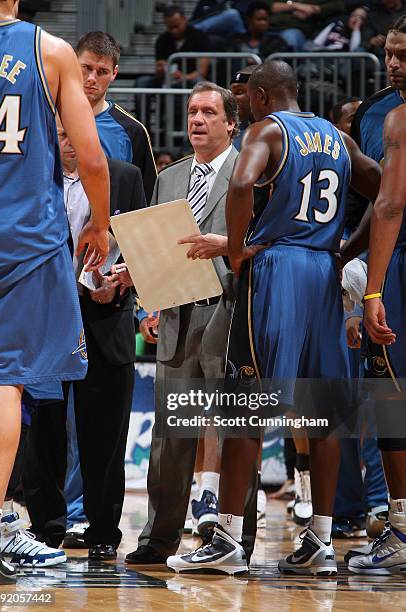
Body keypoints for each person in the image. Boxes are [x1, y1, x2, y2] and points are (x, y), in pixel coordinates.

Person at [166, 60, 381, 576]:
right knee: (321, 414)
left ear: (262, 96)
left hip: (277, 268)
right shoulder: (335, 135)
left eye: (245, 99)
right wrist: (345, 250)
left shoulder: (268, 130)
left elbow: (241, 183)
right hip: (323, 273)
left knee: (246, 407)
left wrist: (237, 249)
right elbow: (387, 192)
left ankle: (227, 541)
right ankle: (322, 541)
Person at [0, 0, 110, 584]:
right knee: (5, 379)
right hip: (22, 240)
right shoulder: (49, 51)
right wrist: (98, 223)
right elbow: (90, 155)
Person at [123, 81, 258, 566]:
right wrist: (150, 301)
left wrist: (228, 246)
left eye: (207, 112)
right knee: (171, 437)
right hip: (177, 314)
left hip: (231, 311)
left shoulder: (252, 172)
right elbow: (158, 248)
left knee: (233, 432)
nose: (197, 120)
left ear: (231, 123)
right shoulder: (170, 177)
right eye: (191, 112)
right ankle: (159, 540)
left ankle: (235, 538)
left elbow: (264, 245)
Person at [22, 118, 146, 561]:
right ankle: (45, 529)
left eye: (76, 135)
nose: (68, 143)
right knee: (44, 436)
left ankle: (103, 533)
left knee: (105, 437)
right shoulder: (33, 178)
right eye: (59, 135)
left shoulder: (126, 178)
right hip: (45, 321)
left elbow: (145, 248)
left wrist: (125, 279)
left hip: (107, 320)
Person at [346, 74, 406, 579]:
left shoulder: (398, 121)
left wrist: (372, 290)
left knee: (392, 395)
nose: (394, 64)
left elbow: (388, 204)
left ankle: (403, 528)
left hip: (401, 262)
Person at [77, 31, 157, 202]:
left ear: (114, 73)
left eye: (102, 72)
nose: (92, 78)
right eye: (87, 68)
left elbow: (146, 199)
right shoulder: (47, 118)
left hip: (110, 226)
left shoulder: (133, 131)